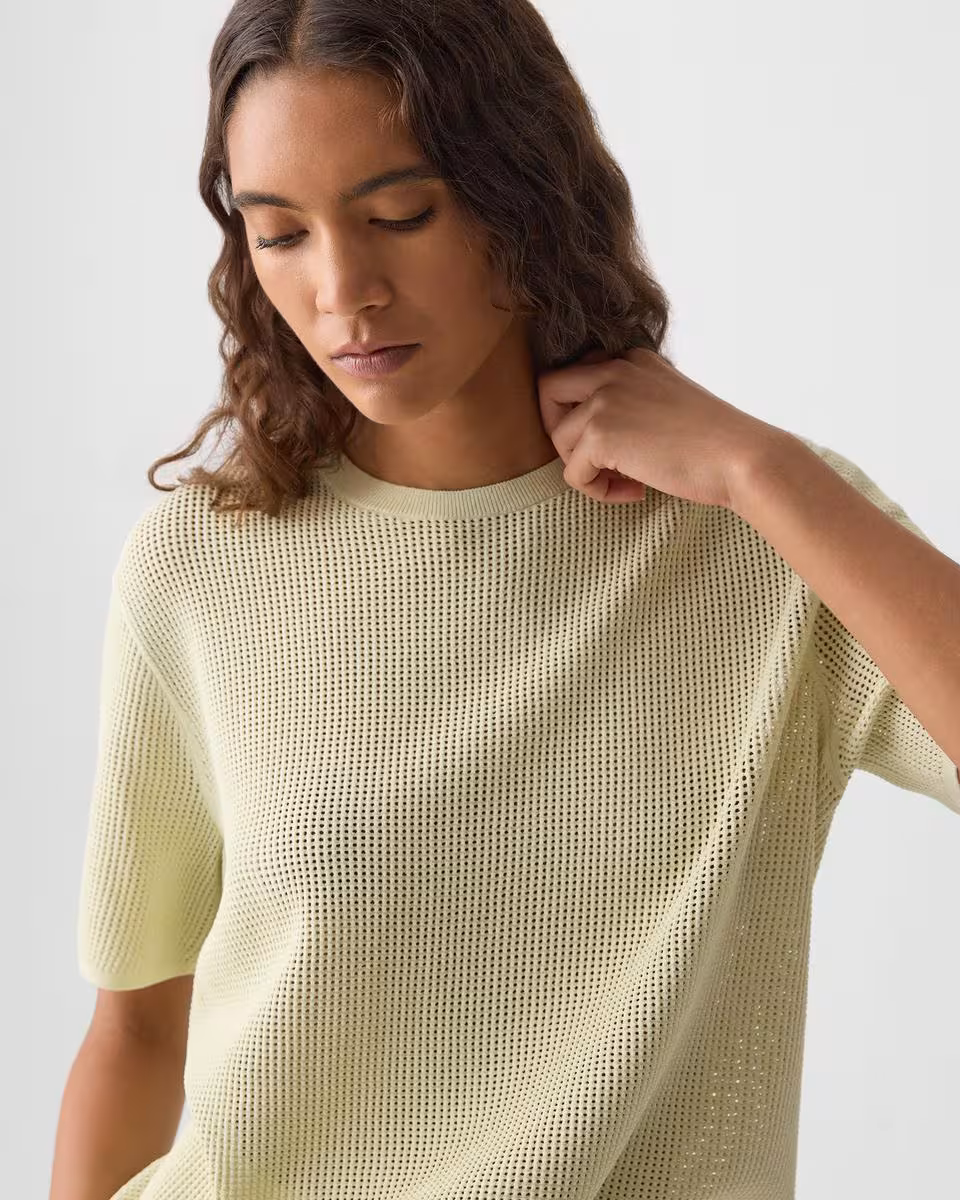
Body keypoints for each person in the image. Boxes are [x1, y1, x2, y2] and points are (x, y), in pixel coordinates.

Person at [51, 2, 960, 1199]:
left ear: (523, 194)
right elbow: (137, 1033)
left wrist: (762, 471)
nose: (343, 289)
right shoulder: (199, 567)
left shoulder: (766, 545)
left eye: (399, 216)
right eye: (280, 234)